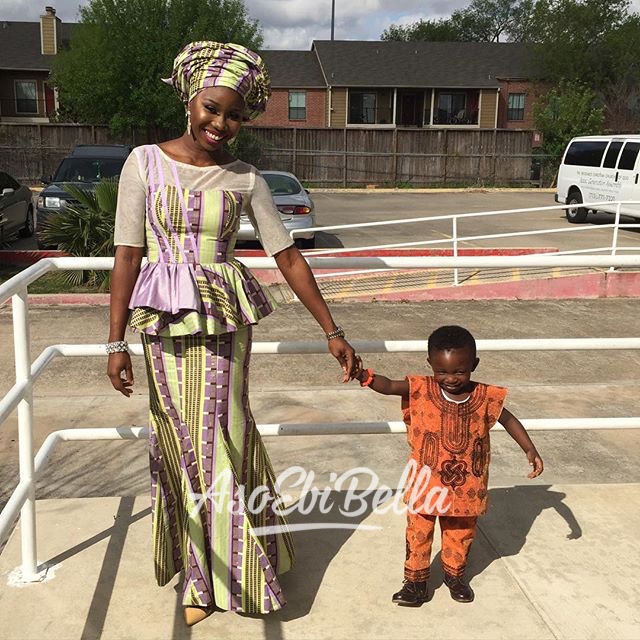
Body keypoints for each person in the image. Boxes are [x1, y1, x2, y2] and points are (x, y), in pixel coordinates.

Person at [106, 41, 357, 626]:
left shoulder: (246, 178)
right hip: (162, 324)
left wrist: (332, 330)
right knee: (181, 441)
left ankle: (229, 568)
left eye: (235, 115)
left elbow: (287, 255)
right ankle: (202, 573)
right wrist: (114, 342)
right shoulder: (143, 162)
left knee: (222, 435)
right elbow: (127, 253)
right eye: (212, 109)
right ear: (189, 102)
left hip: (224, 321)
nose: (221, 123)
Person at [354, 325, 543, 606]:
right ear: (430, 364)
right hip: (426, 483)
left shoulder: (486, 396)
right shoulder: (421, 388)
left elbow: (508, 419)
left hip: (466, 486)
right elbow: (390, 386)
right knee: (418, 532)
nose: (451, 378)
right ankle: (415, 583)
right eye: (441, 371)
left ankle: (455, 576)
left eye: (459, 371)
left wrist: (529, 448)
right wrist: (364, 376)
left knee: (460, 532)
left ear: (474, 365)